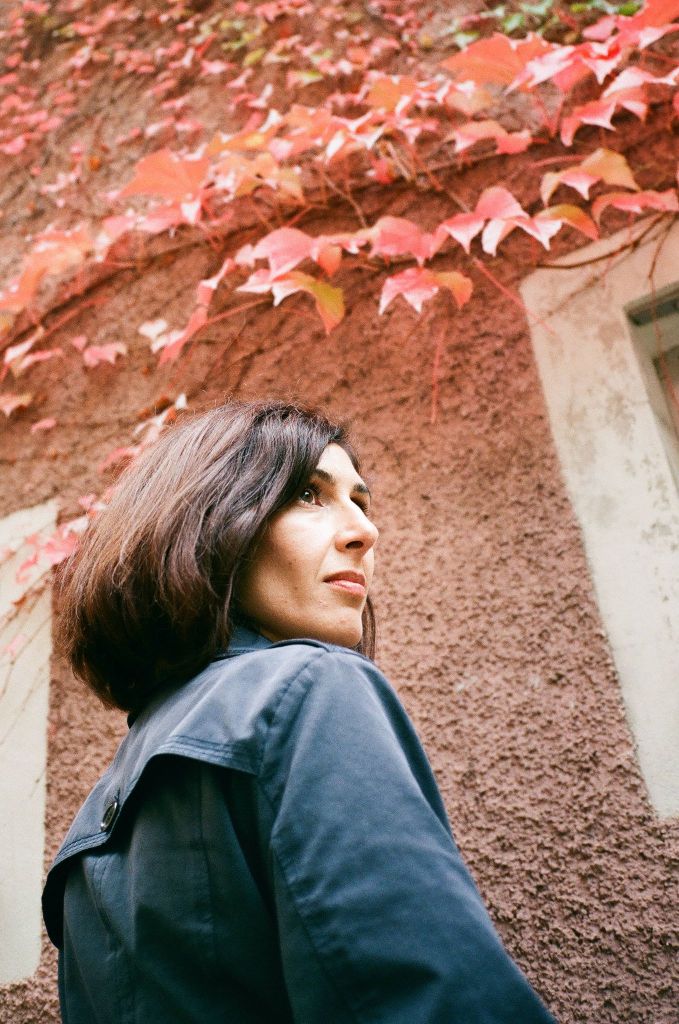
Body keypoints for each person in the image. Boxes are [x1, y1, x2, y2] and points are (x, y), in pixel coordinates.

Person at [42, 400, 557, 1024]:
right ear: (211, 521)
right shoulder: (306, 690)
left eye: (361, 502)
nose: (365, 532)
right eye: (310, 495)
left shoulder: (88, 832)